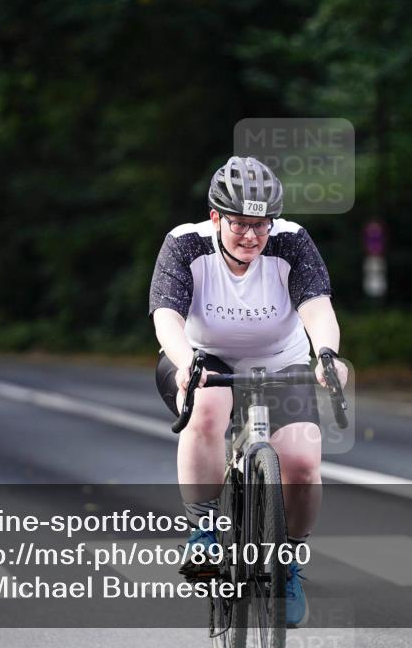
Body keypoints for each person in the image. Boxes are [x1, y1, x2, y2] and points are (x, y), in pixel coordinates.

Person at [149, 156, 348, 626]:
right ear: (217, 217)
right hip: (200, 357)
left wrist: (326, 354)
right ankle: (206, 529)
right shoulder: (184, 244)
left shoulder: (293, 242)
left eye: (261, 225)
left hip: (280, 362)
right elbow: (166, 317)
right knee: (210, 406)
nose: (252, 237)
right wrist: (185, 364)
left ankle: (287, 562)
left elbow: (318, 308)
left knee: (301, 463)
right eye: (240, 224)